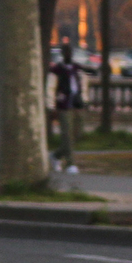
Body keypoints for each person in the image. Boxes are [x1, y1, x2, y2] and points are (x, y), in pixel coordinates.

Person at [49, 44, 84, 173]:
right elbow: (51, 88)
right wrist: (52, 106)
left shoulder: (76, 68)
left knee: (76, 134)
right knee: (66, 135)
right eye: (66, 52)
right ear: (63, 54)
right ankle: (70, 163)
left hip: (76, 104)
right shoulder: (57, 70)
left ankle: (56, 155)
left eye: (70, 51)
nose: (68, 54)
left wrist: (83, 101)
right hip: (63, 105)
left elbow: (82, 85)